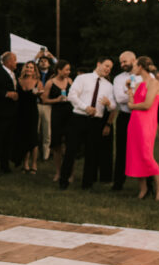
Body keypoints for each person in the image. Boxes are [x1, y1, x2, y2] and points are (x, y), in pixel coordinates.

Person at [59, 56, 115, 190]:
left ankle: (87, 183)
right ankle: (63, 181)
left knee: (92, 152)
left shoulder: (109, 86)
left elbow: (113, 106)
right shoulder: (83, 78)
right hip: (79, 118)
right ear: (98, 64)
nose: (108, 69)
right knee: (71, 150)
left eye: (110, 68)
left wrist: (109, 104)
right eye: (106, 66)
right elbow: (72, 95)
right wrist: (85, 107)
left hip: (96, 122)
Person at [126, 56, 159, 200]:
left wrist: (132, 106)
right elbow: (132, 102)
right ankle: (143, 189)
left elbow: (147, 104)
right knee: (135, 155)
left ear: (141, 67)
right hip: (134, 122)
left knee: (146, 155)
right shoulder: (140, 84)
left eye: (135, 65)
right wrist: (129, 91)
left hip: (146, 123)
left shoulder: (153, 83)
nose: (133, 68)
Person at [112, 50, 138, 191]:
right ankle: (118, 183)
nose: (122, 64)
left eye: (124, 61)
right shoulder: (118, 78)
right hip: (124, 116)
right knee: (121, 150)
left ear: (134, 60)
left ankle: (148, 184)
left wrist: (128, 94)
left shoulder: (146, 76)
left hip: (141, 117)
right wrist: (136, 95)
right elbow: (119, 98)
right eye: (120, 62)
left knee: (142, 150)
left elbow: (149, 98)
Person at [43, 59, 73, 182]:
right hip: (57, 115)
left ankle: (70, 174)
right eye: (66, 69)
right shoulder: (50, 83)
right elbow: (44, 100)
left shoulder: (70, 81)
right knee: (57, 145)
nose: (68, 72)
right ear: (59, 70)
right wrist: (57, 100)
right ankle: (58, 172)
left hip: (70, 115)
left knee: (70, 144)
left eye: (69, 70)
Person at [13, 61, 42, 173]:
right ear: (25, 68)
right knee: (23, 137)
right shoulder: (18, 81)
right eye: (28, 67)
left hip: (32, 112)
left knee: (33, 138)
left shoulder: (38, 82)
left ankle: (34, 164)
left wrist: (38, 94)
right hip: (20, 112)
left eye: (32, 68)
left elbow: (42, 95)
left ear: (35, 70)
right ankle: (25, 164)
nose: (29, 69)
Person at [36, 53, 53, 161]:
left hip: (47, 105)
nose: (43, 62)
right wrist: (37, 57)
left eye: (45, 61)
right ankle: (35, 153)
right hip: (36, 104)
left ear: (49, 64)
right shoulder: (34, 74)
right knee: (35, 130)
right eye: (41, 61)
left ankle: (46, 154)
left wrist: (52, 57)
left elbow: (59, 66)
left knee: (47, 131)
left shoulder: (52, 74)